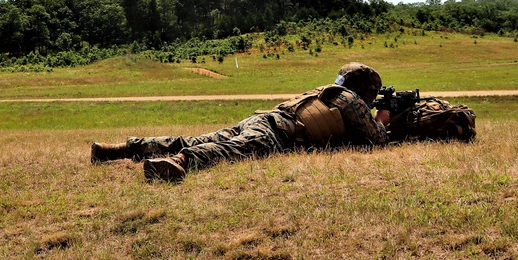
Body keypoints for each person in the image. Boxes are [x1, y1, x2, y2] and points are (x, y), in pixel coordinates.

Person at [90, 63, 391, 183]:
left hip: (261, 118)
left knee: (196, 137)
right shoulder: (350, 100)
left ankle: (114, 150)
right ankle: (177, 162)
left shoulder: (325, 91)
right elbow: (376, 139)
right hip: (278, 131)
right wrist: (383, 117)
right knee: (238, 149)